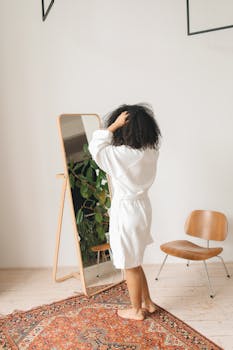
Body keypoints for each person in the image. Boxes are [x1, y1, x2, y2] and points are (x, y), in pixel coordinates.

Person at [88, 103, 161, 321]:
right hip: (142, 208)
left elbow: (96, 148)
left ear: (125, 130)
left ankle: (136, 310)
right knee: (135, 259)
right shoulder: (151, 152)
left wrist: (113, 127)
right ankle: (148, 303)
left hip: (127, 212)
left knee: (129, 262)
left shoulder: (123, 155)